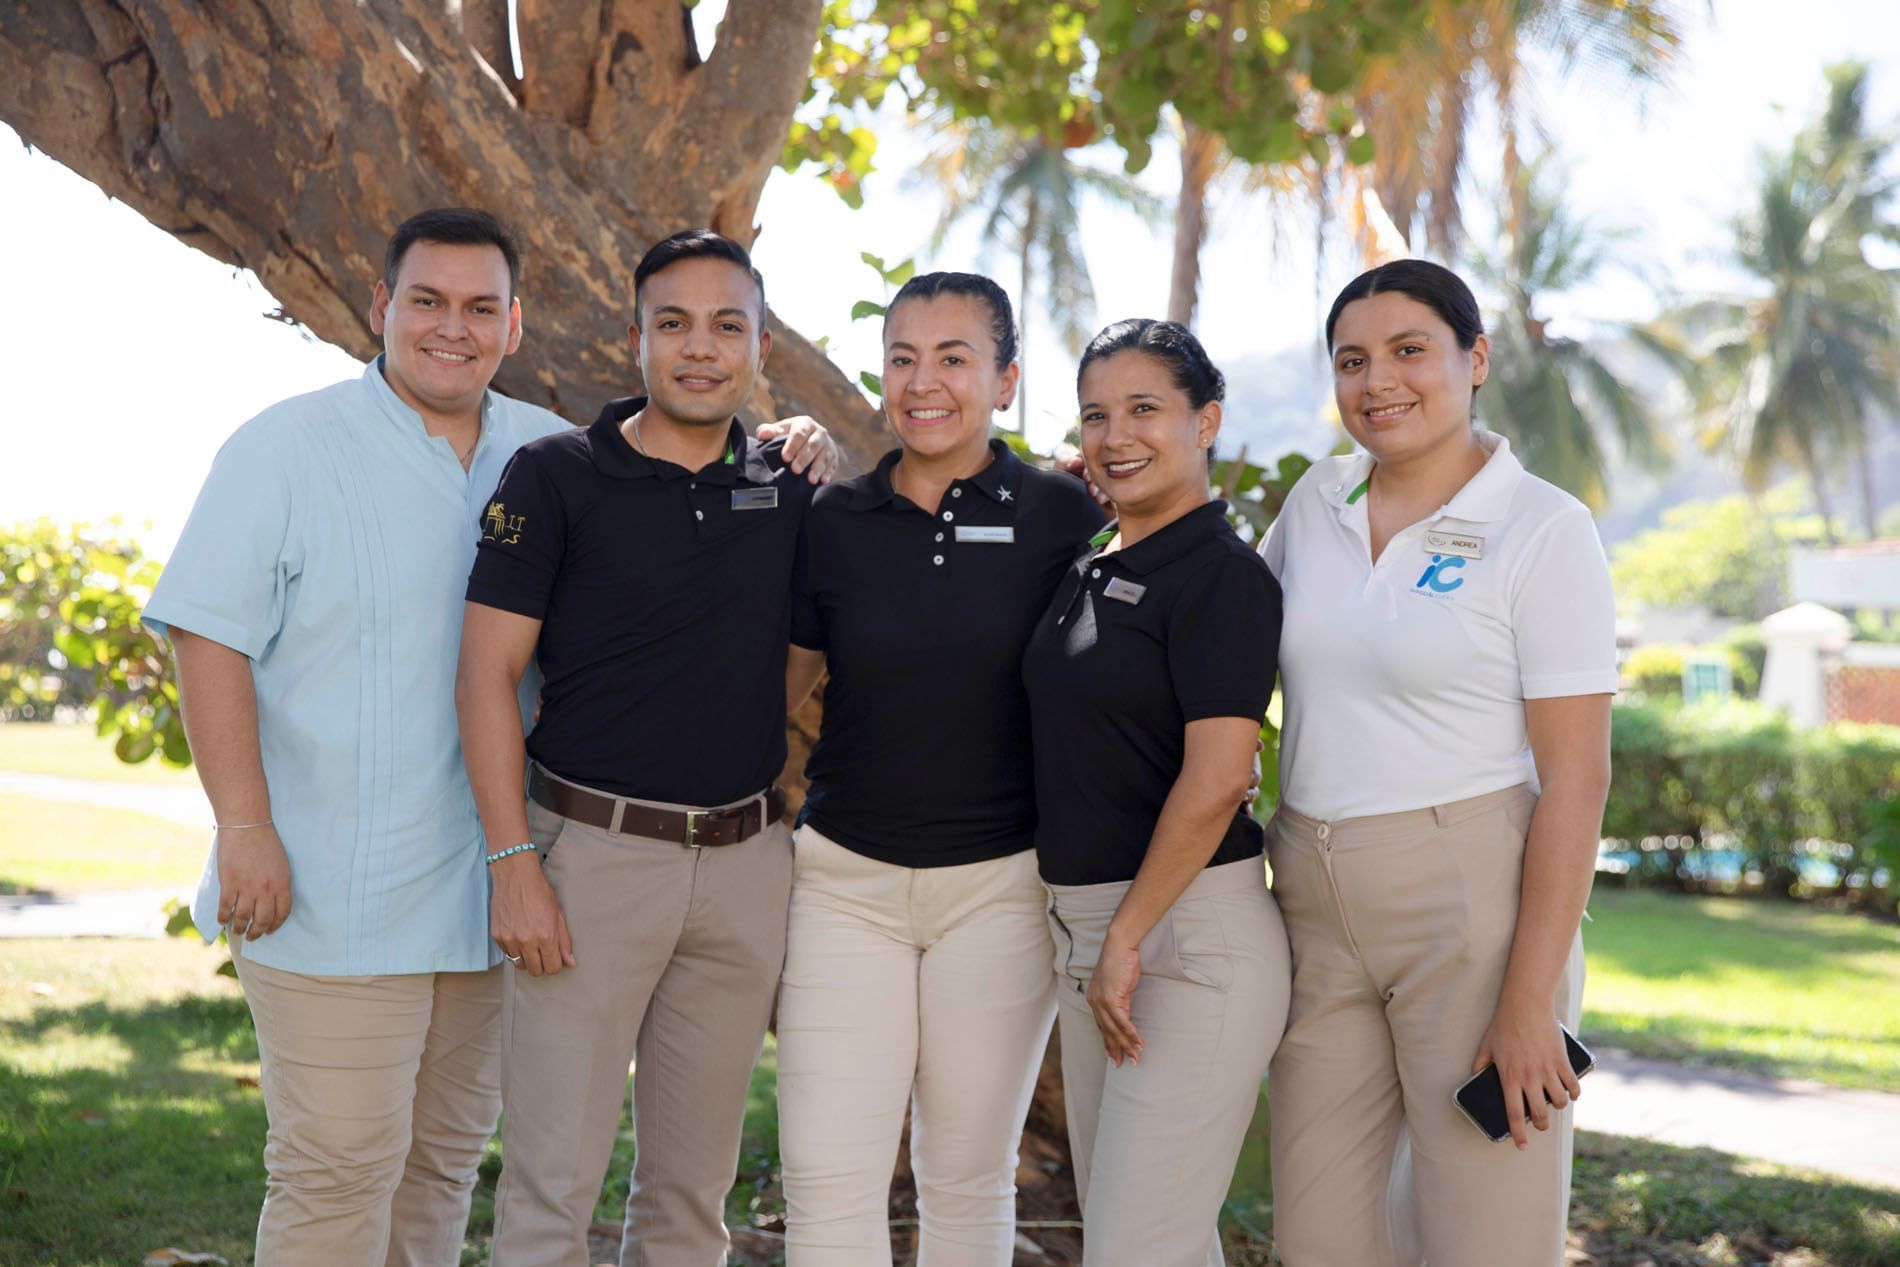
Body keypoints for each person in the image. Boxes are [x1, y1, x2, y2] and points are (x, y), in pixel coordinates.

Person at [142, 208, 835, 1266]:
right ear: (382, 308)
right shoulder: (287, 446)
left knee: (441, 1168)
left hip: (487, 898)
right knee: (338, 1169)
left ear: (515, 325)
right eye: (425, 301)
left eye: (478, 308)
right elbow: (207, 635)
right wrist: (244, 824)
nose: (450, 328)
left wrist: (797, 440)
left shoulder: (540, 452)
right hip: (329, 881)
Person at [457, 228, 820, 1266]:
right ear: (635, 339)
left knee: (690, 1202)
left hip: (746, 869)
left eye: (726, 326)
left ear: (757, 344)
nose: (699, 349)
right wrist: (514, 860)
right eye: (674, 325)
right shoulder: (553, 477)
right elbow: (483, 676)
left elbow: (788, 662)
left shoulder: (788, 486)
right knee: (547, 1193)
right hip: (589, 864)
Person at [1259, 259, 1616, 1267]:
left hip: (1471, 917)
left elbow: (1576, 780)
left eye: (1409, 351)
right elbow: (1217, 644)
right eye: (1352, 360)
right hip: (1314, 913)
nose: (1379, 382)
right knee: (1320, 1235)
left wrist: (1527, 1001)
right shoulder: (1314, 502)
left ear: (1475, 358)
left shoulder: (1542, 527)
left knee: (1483, 1236)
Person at [777, 272, 1105, 1265]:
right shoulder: (830, 520)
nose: (925, 381)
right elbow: (775, 696)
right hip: (845, 886)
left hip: (999, 890)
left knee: (965, 1181)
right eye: (904, 358)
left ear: (1004, 380)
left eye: (954, 358)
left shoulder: (1063, 514)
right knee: (827, 1182)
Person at [1021, 319, 1290, 1267]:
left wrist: (1126, 937)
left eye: (1145, 409)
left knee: (1139, 1247)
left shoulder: (1221, 576)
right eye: (1097, 414)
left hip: (1186, 941)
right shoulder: (1097, 562)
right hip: (1100, 936)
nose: (1115, 435)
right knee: (1147, 1242)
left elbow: (1220, 779)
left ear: (1206, 419)